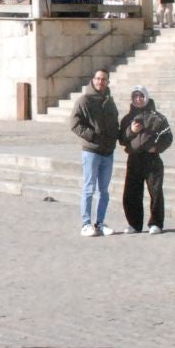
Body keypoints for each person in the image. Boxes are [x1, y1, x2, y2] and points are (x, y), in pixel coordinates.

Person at [69, 68, 120, 237]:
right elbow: (74, 123)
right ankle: (85, 224)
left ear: (107, 82)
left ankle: (99, 223)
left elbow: (115, 124)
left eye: (104, 79)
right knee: (89, 188)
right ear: (93, 80)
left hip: (108, 152)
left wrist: (117, 138)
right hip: (91, 151)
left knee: (104, 190)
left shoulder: (109, 101)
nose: (100, 82)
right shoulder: (84, 100)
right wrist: (92, 136)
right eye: (98, 79)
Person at [119, 85, 173, 234]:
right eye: (135, 96)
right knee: (131, 193)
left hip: (152, 159)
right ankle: (134, 224)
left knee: (155, 192)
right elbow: (122, 139)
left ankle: (156, 223)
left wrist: (155, 148)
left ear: (146, 97)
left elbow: (167, 137)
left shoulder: (158, 118)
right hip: (134, 158)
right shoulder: (127, 119)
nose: (138, 99)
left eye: (141, 96)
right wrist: (132, 130)